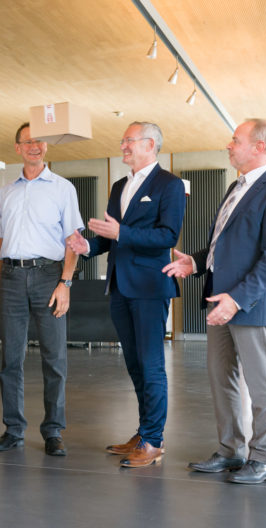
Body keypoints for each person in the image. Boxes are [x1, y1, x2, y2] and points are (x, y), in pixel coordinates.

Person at [163, 118, 266, 484]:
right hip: (218, 299)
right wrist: (195, 260)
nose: (229, 145)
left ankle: (263, 458)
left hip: (248, 304)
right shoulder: (235, 187)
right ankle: (231, 450)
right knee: (221, 378)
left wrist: (237, 300)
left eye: (235, 140)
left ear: (259, 147)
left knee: (261, 384)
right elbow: (225, 245)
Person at [67, 121, 186, 468]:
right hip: (119, 286)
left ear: (150, 144)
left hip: (150, 288)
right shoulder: (120, 184)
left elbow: (167, 236)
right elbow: (110, 238)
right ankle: (144, 431)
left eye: (128, 141)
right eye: (122, 142)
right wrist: (86, 245)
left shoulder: (170, 184)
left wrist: (123, 231)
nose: (123, 147)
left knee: (151, 366)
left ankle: (154, 440)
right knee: (135, 366)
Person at [0, 122, 83, 457]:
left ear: (47, 146)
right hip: (11, 278)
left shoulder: (62, 188)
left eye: (39, 141)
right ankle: (13, 429)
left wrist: (65, 283)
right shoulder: (7, 191)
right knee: (10, 358)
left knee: (54, 358)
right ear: (17, 148)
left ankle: (53, 431)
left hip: (48, 277)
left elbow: (74, 240)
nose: (34, 146)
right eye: (27, 142)